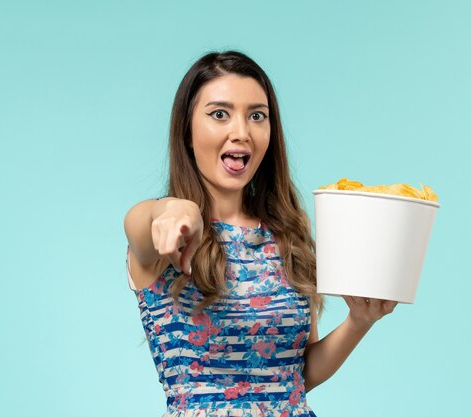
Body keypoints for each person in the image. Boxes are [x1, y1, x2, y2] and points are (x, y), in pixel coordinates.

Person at [124, 50, 398, 417]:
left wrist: (359, 322)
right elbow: (141, 223)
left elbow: (299, 375)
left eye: (257, 116)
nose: (241, 132)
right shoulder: (166, 233)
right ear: (187, 131)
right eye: (219, 114)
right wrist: (174, 209)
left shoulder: (286, 234)